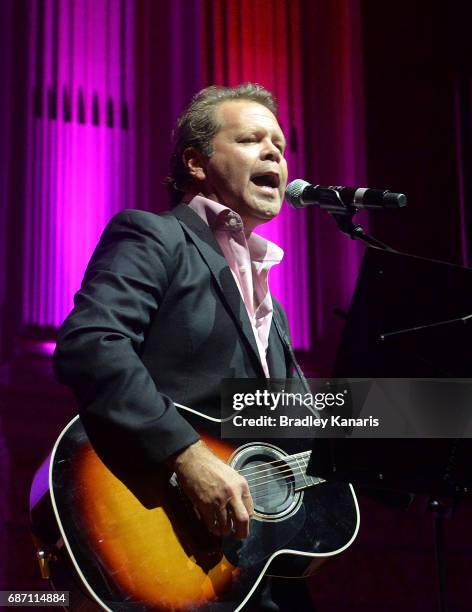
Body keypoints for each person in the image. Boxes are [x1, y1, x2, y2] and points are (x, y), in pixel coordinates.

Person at [54, 83, 313, 610]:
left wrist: (422, 418)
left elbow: (293, 427)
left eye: (280, 146)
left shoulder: (271, 306)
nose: (274, 154)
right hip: (162, 541)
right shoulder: (156, 236)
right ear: (196, 162)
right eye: (251, 140)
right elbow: (92, 344)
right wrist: (186, 455)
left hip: (249, 565)